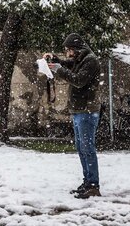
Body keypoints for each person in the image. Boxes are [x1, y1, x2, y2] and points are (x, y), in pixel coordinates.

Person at [44, 33, 102, 199]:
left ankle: (93, 185)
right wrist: (54, 59)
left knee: (88, 149)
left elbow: (78, 80)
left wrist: (58, 70)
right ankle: (87, 181)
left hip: (87, 110)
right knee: (81, 148)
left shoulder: (90, 60)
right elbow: (67, 63)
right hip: (78, 110)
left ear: (77, 49)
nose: (67, 53)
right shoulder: (80, 59)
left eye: (69, 50)